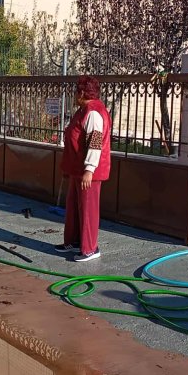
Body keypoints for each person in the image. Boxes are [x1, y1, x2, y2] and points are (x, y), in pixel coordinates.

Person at [56, 75, 112, 261]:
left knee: (88, 210)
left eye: (75, 92)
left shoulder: (94, 112)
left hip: (89, 172)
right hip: (77, 170)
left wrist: (89, 169)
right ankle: (73, 241)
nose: (73, 95)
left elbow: (95, 142)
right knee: (74, 208)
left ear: (81, 93)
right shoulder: (83, 110)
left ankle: (90, 249)